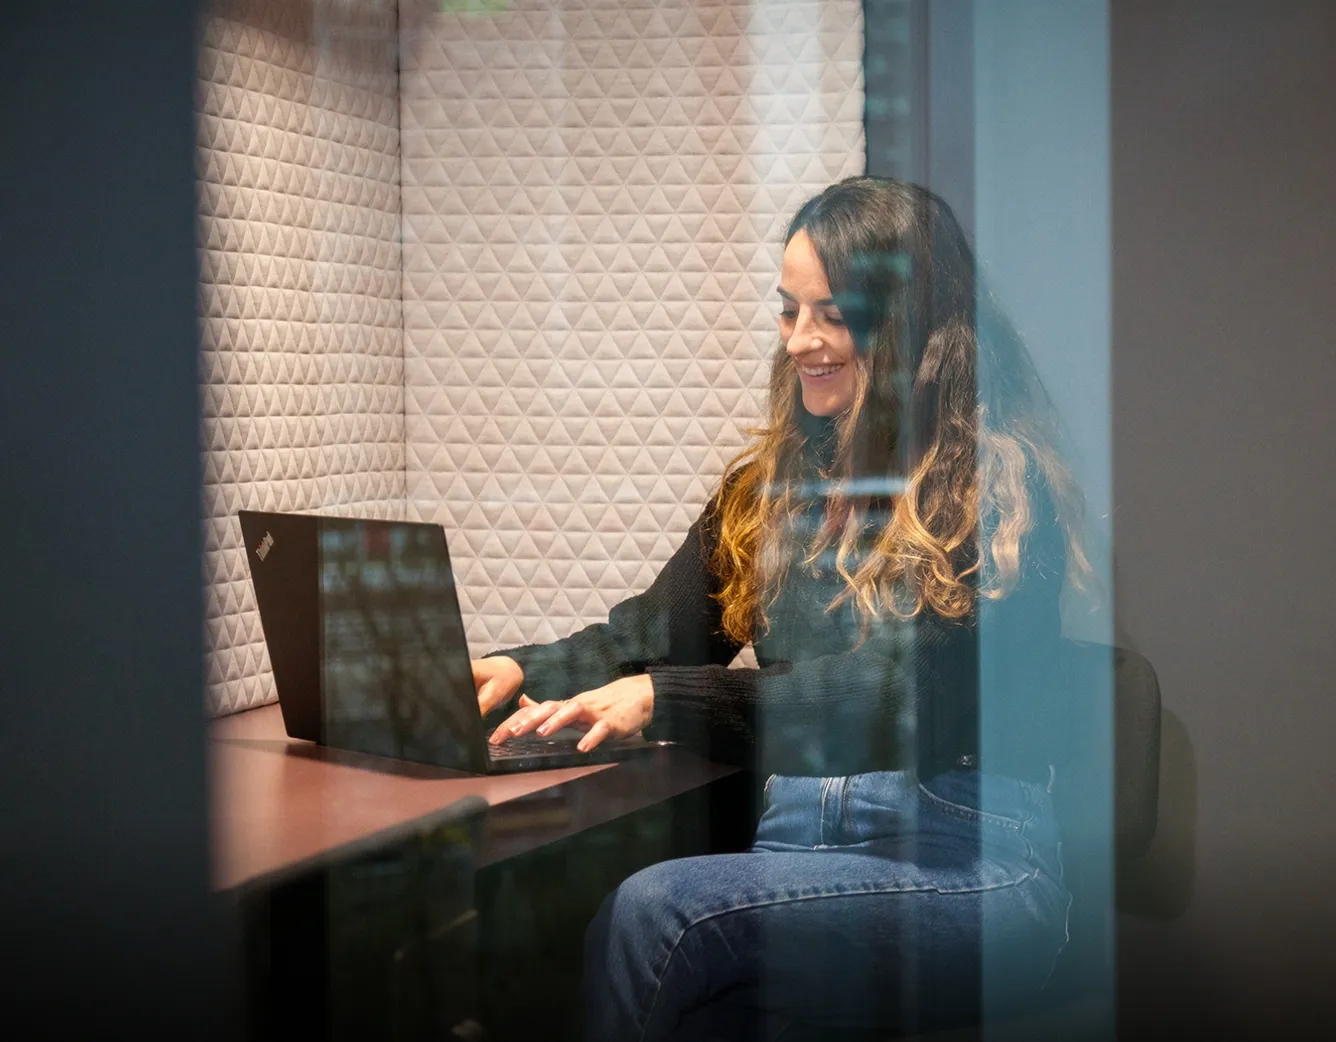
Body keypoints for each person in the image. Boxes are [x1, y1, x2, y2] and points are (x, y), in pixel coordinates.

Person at [470, 177, 1094, 1040]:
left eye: (832, 314)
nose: (801, 341)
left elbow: (897, 701)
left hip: (975, 863)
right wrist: (521, 669)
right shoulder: (769, 493)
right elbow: (649, 635)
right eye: (788, 310)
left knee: (662, 913)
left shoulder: (993, 489)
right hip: (804, 857)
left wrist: (664, 698)